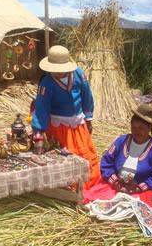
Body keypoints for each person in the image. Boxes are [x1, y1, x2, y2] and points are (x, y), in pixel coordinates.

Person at [31, 45, 101, 188]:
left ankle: (86, 184)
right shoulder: (46, 83)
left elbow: (87, 96)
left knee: (84, 154)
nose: (56, 73)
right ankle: (66, 186)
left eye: (59, 70)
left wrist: (88, 118)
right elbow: (41, 108)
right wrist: (38, 135)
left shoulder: (79, 75)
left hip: (78, 124)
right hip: (58, 127)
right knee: (62, 157)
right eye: (53, 70)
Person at [100, 104, 152, 194]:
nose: (137, 131)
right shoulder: (122, 141)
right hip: (115, 186)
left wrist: (138, 189)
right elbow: (106, 163)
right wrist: (115, 182)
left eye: (141, 128)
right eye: (134, 128)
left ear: (149, 128)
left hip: (141, 191)